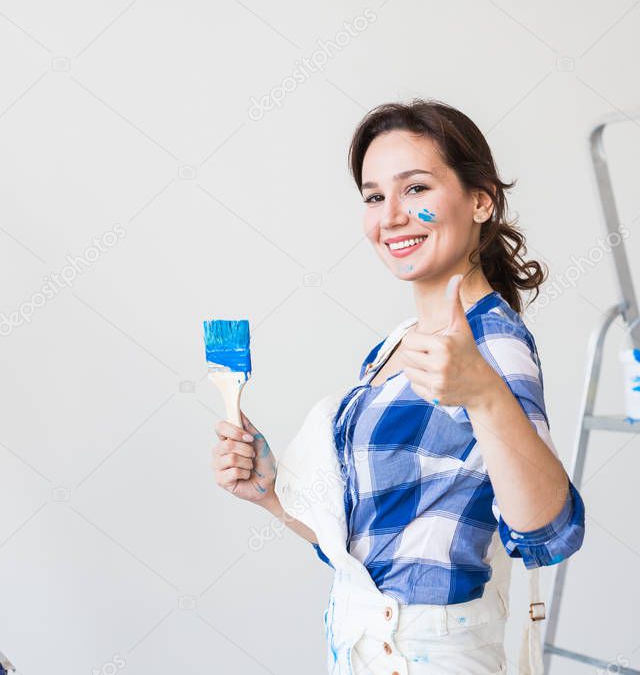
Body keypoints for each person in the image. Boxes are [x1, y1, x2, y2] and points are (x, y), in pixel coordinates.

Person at [210, 99, 584, 674]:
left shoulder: (492, 345)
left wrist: (483, 392)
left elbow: (550, 533)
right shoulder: (395, 347)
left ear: (480, 200)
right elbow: (383, 546)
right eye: (374, 196)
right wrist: (272, 495)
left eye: (416, 189)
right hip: (365, 646)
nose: (390, 216)